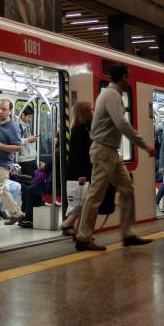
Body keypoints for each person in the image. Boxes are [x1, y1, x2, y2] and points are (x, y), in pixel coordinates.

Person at [75, 64, 155, 251]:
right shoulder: (112, 95)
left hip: (111, 151)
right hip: (104, 151)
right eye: (128, 77)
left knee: (127, 188)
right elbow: (122, 124)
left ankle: (128, 234)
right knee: (96, 194)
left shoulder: (110, 94)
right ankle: (83, 237)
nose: (129, 81)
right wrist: (144, 145)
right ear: (123, 78)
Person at [0, 99, 26, 224]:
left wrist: (1, 146)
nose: (0, 111)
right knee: (2, 189)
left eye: (4, 109)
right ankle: (16, 213)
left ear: (10, 111)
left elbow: (18, 147)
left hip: (3, 165)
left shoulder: (13, 127)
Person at [62, 101, 93, 235]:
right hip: (79, 172)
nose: (93, 112)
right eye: (90, 110)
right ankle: (68, 223)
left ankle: (78, 231)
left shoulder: (84, 128)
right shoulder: (80, 130)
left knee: (83, 202)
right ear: (85, 113)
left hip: (82, 170)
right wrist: (81, 174)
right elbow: (78, 154)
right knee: (83, 203)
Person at [16, 106, 38, 176]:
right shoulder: (17, 125)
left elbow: (26, 139)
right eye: (29, 117)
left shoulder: (26, 125)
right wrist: (28, 140)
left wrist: (32, 139)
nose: (30, 119)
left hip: (31, 158)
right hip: (25, 160)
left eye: (31, 117)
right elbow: (16, 141)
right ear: (22, 115)